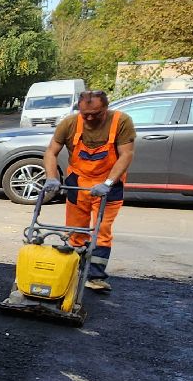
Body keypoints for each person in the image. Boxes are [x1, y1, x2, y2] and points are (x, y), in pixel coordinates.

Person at [41, 90, 136, 293]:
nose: (90, 118)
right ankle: (75, 271)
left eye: (96, 114)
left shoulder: (121, 121)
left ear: (106, 108)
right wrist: (51, 177)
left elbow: (126, 155)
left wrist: (108, 183)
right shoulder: (70, 123)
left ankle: (95, 276)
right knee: (75, 231)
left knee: (101, 231)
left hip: (108, 184)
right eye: (86, 114)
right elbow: (51, 151)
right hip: (78, 183)